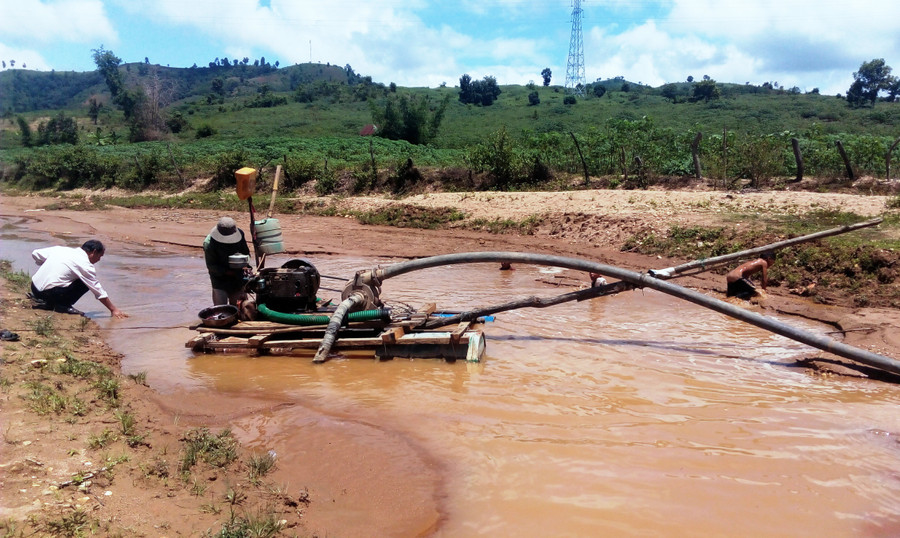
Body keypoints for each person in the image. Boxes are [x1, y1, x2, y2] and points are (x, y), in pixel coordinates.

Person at [29, 239, 128, 318]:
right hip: (49, 293)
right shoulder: (85, 265)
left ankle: (49, 303)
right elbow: (97, 290)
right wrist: (113, 309)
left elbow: (35, 253)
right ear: (93, 252)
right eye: (100, 256)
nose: (99, 260)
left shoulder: (61, 249)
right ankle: (63, 305)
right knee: (85, 282)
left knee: (76, 278)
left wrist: (48, 263)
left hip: (34, 287)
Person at [203, 216, 251, 306]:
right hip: (219, 279)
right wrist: (228, 272)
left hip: (237, 278)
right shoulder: (209, 243)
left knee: (239, 307)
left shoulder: (240, 234)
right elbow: (211, 266)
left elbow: (245, 253)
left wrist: (246, 266)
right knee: (221, 308)